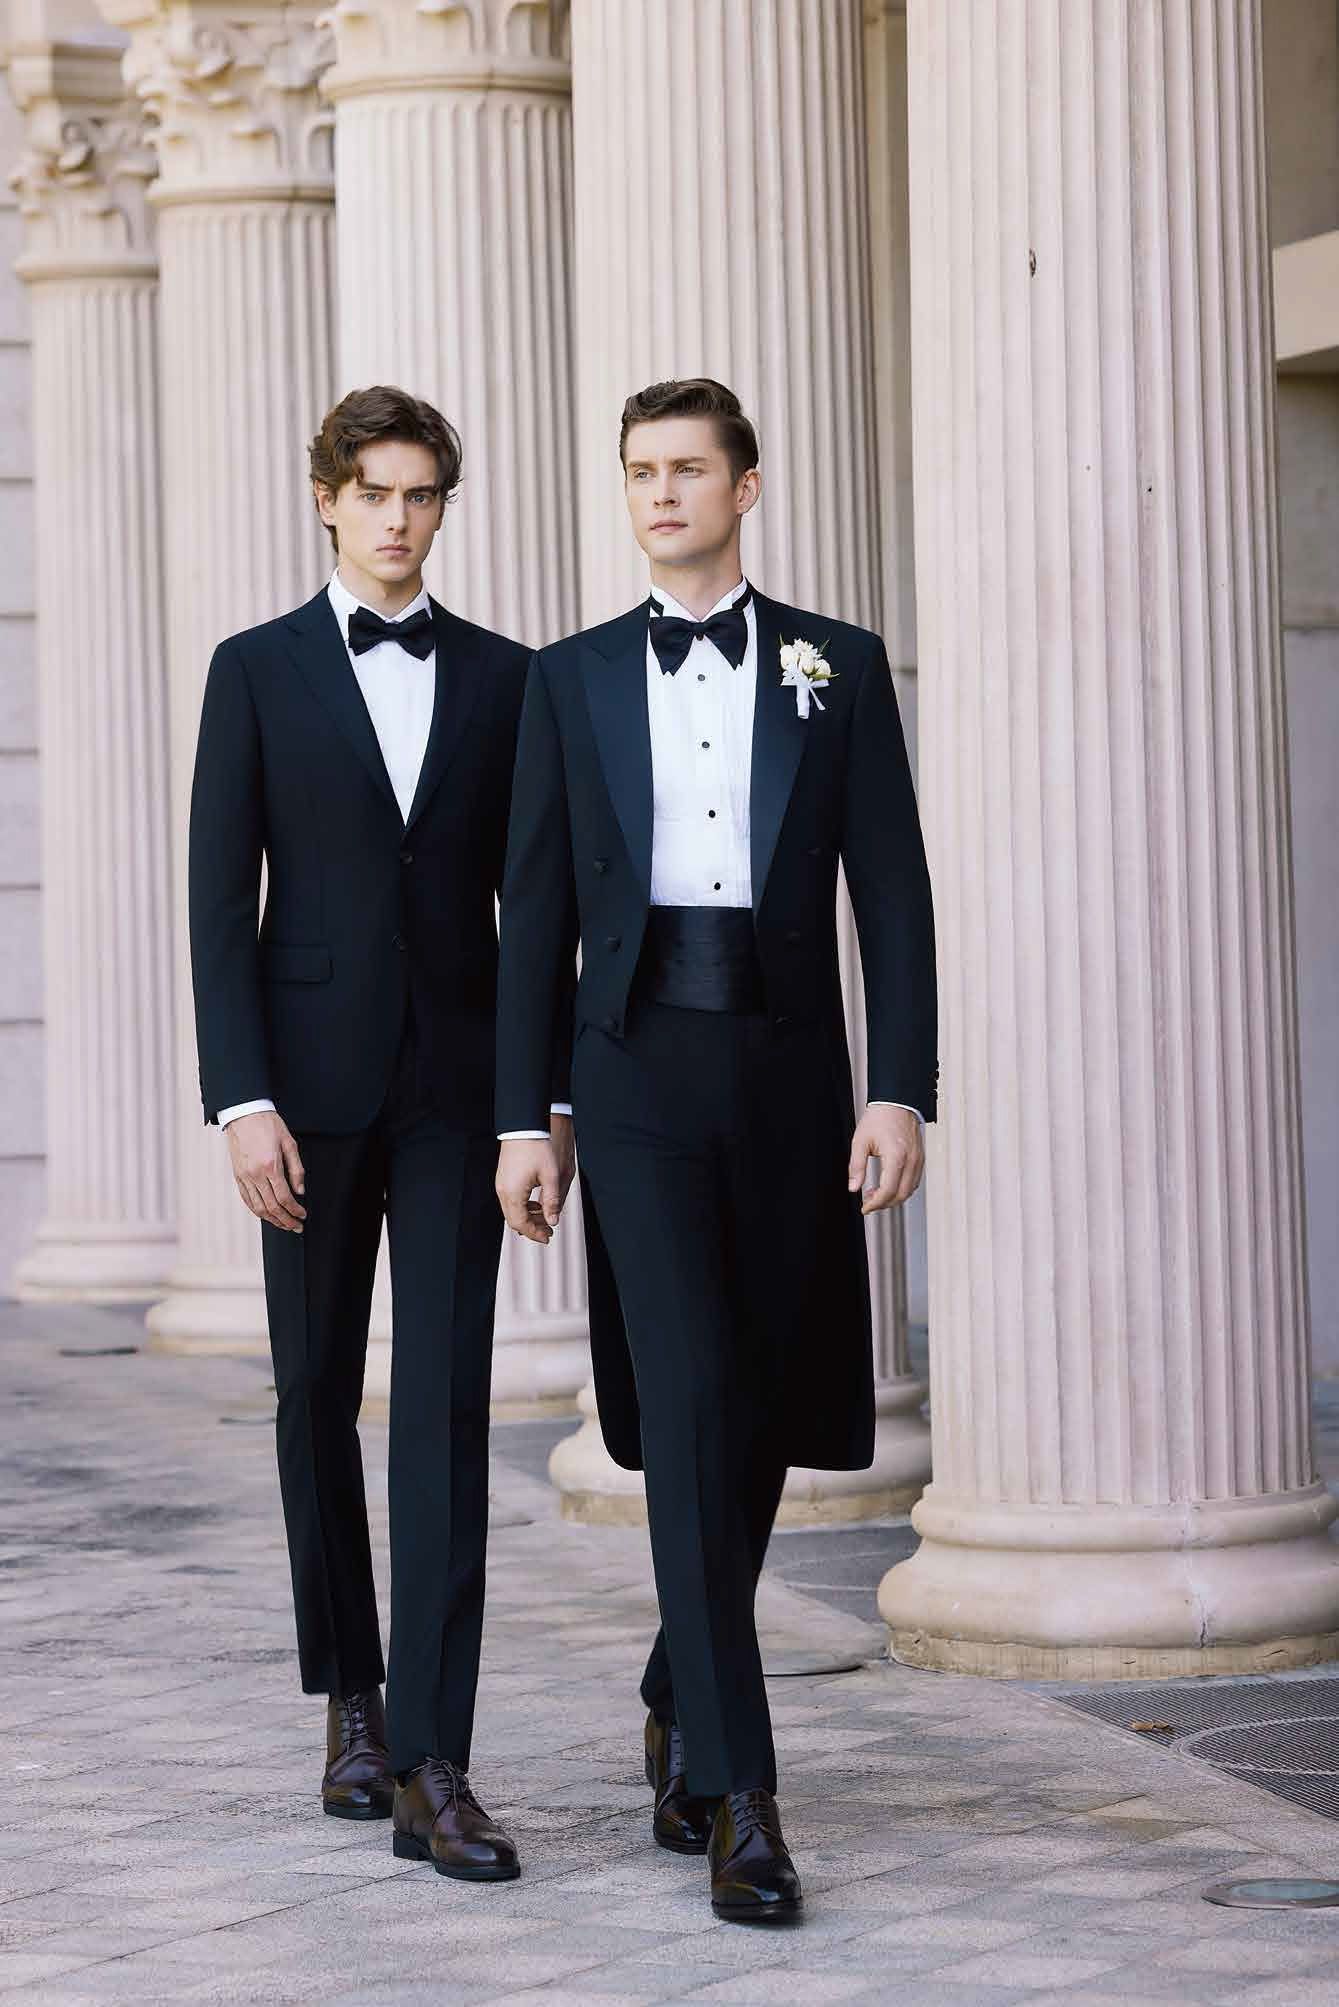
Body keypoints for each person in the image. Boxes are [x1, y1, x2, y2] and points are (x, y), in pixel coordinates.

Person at [494, 377, 937, 1922]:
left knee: (753, 1394)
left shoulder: (840, 666)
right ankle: (742, 1794)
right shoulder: (571, 680)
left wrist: (903, 1089)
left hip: (789, 1063)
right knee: (686, 1393)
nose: (661, 492)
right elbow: (532, 916)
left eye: (688, 469)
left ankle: (684, 1670)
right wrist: (524, 1113)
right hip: (628, 1070)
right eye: (640, 472)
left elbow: (892, 887)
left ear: (746, 489)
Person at [188, 385, 573, 1882]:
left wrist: (529, 1102)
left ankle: (434, 1753)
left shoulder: (508, 678)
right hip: (310, 1092)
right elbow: (223, 907)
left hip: (458, 1092)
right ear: (329, 500)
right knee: (312, 1398)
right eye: (378, 492)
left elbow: (535, 911)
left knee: (451, 1413)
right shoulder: (256, 671)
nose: (401, 518)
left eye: (423, 495)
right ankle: (350, 1698)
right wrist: (242, 1099)